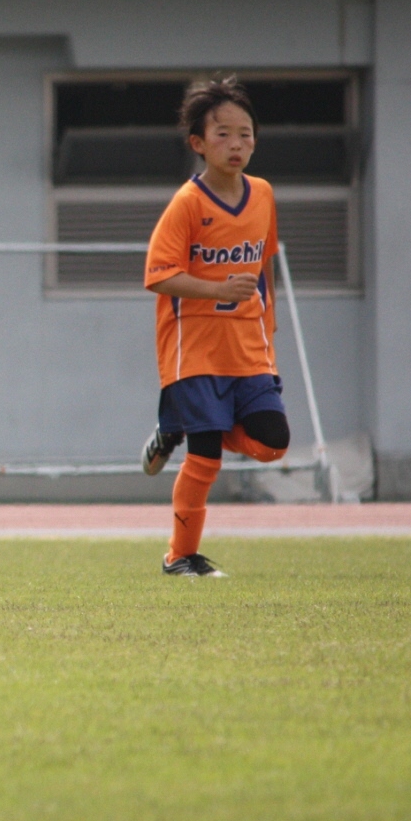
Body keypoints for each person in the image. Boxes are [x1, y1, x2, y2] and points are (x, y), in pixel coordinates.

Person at [139, 76, 291, 578]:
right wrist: (217, 290)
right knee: (206, 457)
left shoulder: (263, 194)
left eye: (245, 134)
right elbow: (158, 276)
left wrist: (270, 337)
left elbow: (263, 272)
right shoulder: (188, 203)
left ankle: (177, 424)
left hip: (248, 347)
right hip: (195, 349)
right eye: (223, 134)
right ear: (199, 144)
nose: (237, 144)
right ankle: (180, 556)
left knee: (273, 442)